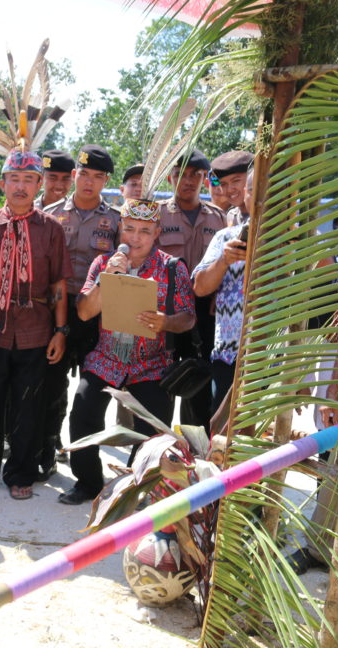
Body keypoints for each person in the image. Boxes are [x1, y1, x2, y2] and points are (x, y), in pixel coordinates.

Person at [64, 199, 196, 505]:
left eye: (145, 231)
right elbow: (84, 313)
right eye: (130, 229)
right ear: (121, 227)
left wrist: (166, 321)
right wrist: (106, 279)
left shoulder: (172, 267)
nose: (135, 238)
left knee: (153, 430)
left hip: (151, 363)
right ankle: (87, 483)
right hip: (105, 359)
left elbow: (188, 317)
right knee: (83, 413)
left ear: (157, 232)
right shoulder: (103, 263)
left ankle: (132, 487)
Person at [0, 149, 70, 500]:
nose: (21, 187)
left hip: (36, 330)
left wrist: (60, 330)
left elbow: (58, 285)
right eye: (14, 179)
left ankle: (21, 472)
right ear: (3, 183)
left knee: (29, 406)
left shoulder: (51, 229)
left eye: (28, 180)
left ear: (39, 184)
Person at [40, 144, 121, 479]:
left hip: (94, 314)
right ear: (75, 176)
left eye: (97, 176)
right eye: (84, 174)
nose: (89, 182)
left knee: (91, 394)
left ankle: (84, 464)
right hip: (53, 311)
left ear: (105, 181)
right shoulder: (48, 212)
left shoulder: (115, 220)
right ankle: (46, 451)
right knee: (49, 386)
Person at [158, 149, 226, 431]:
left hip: (204, 309)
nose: (187, 181)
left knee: (197, 385)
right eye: (181, 175)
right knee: (159, 383)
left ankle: (195, 452)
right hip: (164, 308)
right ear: (171, 177)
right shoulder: (157, 213)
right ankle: (154, 450)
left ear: (203, 179)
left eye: (194, 175)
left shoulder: (219, 218)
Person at [193, 168, 254, 414]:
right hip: (229, 355)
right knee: (221, 437)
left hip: (276, 358)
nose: (230, 190)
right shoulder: (225, 237)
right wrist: (224, 261)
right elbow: (200, 287)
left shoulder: (294, 235)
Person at [210, 150, 254, 227]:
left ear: (251, 178)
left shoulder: (266, 214)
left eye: (236, 181)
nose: (230, 189)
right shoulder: (231, 217)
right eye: (223, 184)